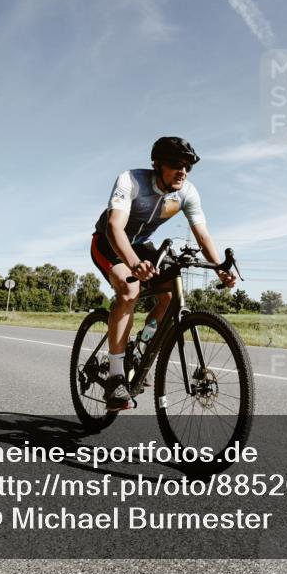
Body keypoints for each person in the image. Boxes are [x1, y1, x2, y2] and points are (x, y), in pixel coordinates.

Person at [90, 136, 236, 411]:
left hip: (141, 245)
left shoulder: (187, 192)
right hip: (108, 243)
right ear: (157, 165)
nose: (183, 171)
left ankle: (142, 347)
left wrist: (219, 268)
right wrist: (133, 263)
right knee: (129, 289)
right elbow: (114, 227)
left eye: (188, 167)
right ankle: (116, 377)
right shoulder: (131, 180)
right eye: (176, 164)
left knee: (170, 293)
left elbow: (202, 236)